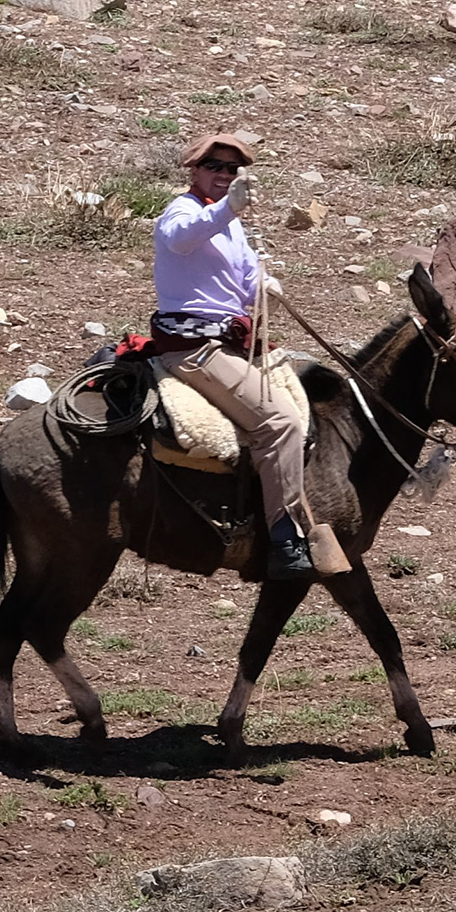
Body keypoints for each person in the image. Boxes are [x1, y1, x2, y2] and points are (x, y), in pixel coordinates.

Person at [147, 129, 340, 588]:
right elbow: (179, 239)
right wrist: (226, 208)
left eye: (232, 169)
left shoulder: (232, 225)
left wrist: (261, 282)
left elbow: (241, 275)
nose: (224, 174)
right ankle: (283, 537)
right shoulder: (185, 210)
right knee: (279, 422)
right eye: (214, 166)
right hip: (195, 347)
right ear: (193, 169)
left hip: (231, 341)